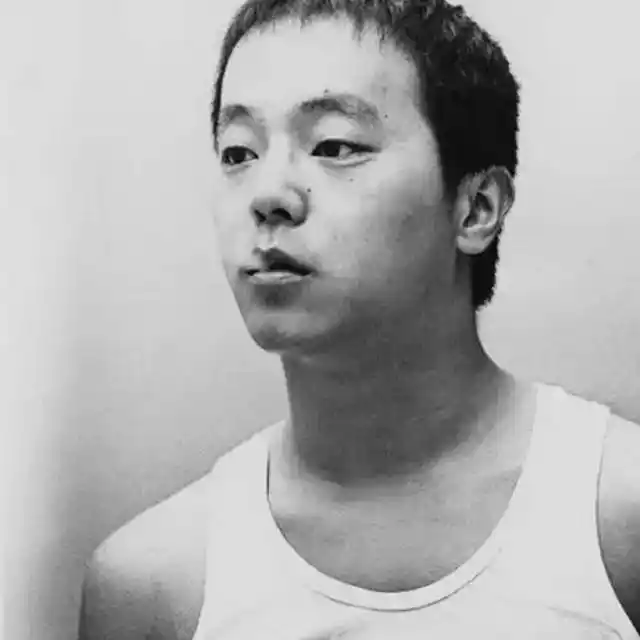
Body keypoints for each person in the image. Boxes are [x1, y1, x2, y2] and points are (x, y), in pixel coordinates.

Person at [78, 0, 640, 638]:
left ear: (476, 207)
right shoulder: (157, 585)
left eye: (334, 146)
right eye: (238, 153)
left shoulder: (619, 521)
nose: (268, 195)